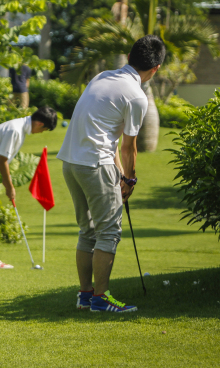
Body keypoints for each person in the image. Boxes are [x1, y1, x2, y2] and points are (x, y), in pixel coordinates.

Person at [56, 35, 165, 312]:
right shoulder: (137, 96)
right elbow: (129, 147)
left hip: (71, 161)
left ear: (129, 58)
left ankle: (85, 295)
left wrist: (120, 175)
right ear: (155, 69)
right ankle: (101, 299)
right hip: (95, 163)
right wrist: (129, 179)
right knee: (108, 232)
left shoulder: (103, 76)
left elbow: (109, 134)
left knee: (88, 231)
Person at [0, 106, 57, 268]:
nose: (41, 132)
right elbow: (2, 160)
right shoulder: (15, 130)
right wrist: (9, 187)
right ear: (39, 124)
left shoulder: (18, 128)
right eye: (44, 129)